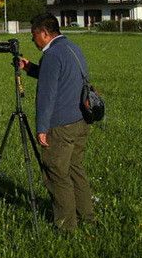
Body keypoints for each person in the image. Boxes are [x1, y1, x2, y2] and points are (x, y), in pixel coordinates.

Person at [17, 13, 96, 233]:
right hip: (79, 120)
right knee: (76, 171)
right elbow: (60, 77)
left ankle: (66, 227)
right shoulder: (72, 48)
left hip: (60, 125)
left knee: (57, 175)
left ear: (44, 33)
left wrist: (42, 128)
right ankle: (87, 218)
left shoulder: (51, 55)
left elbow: (47, 94)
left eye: (34, 35)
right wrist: (30, 68)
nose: (33, 40)